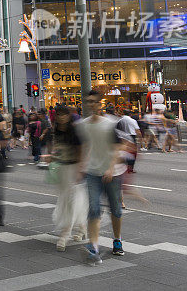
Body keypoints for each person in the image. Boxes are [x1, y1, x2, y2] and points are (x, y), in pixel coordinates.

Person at [76, 91, 124, 264]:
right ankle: (93, 247)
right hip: (92, 172)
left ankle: (117, 240)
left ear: (100, 104)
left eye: (94, 102)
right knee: (94, 209)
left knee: (116, 209)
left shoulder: (110, 124)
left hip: (113, 172)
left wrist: (110, 169)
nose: (90, 105)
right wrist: (81, 166)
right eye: (88, 102)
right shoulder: (83, 124)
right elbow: (86, 145)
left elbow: (118, 147)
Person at [46, 105, 86, 251]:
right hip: (62, 168)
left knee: (71, 201)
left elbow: (81, 150)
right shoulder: (55, 130)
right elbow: (57, 148)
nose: (61, 117)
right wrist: (52, 156)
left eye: (64, 114)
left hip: (74, 168)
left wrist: (80, 169)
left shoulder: (75, 130)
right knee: (66, 199)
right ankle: (82, 228)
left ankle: (65, 234)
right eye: (58, 114)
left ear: (69, 116)